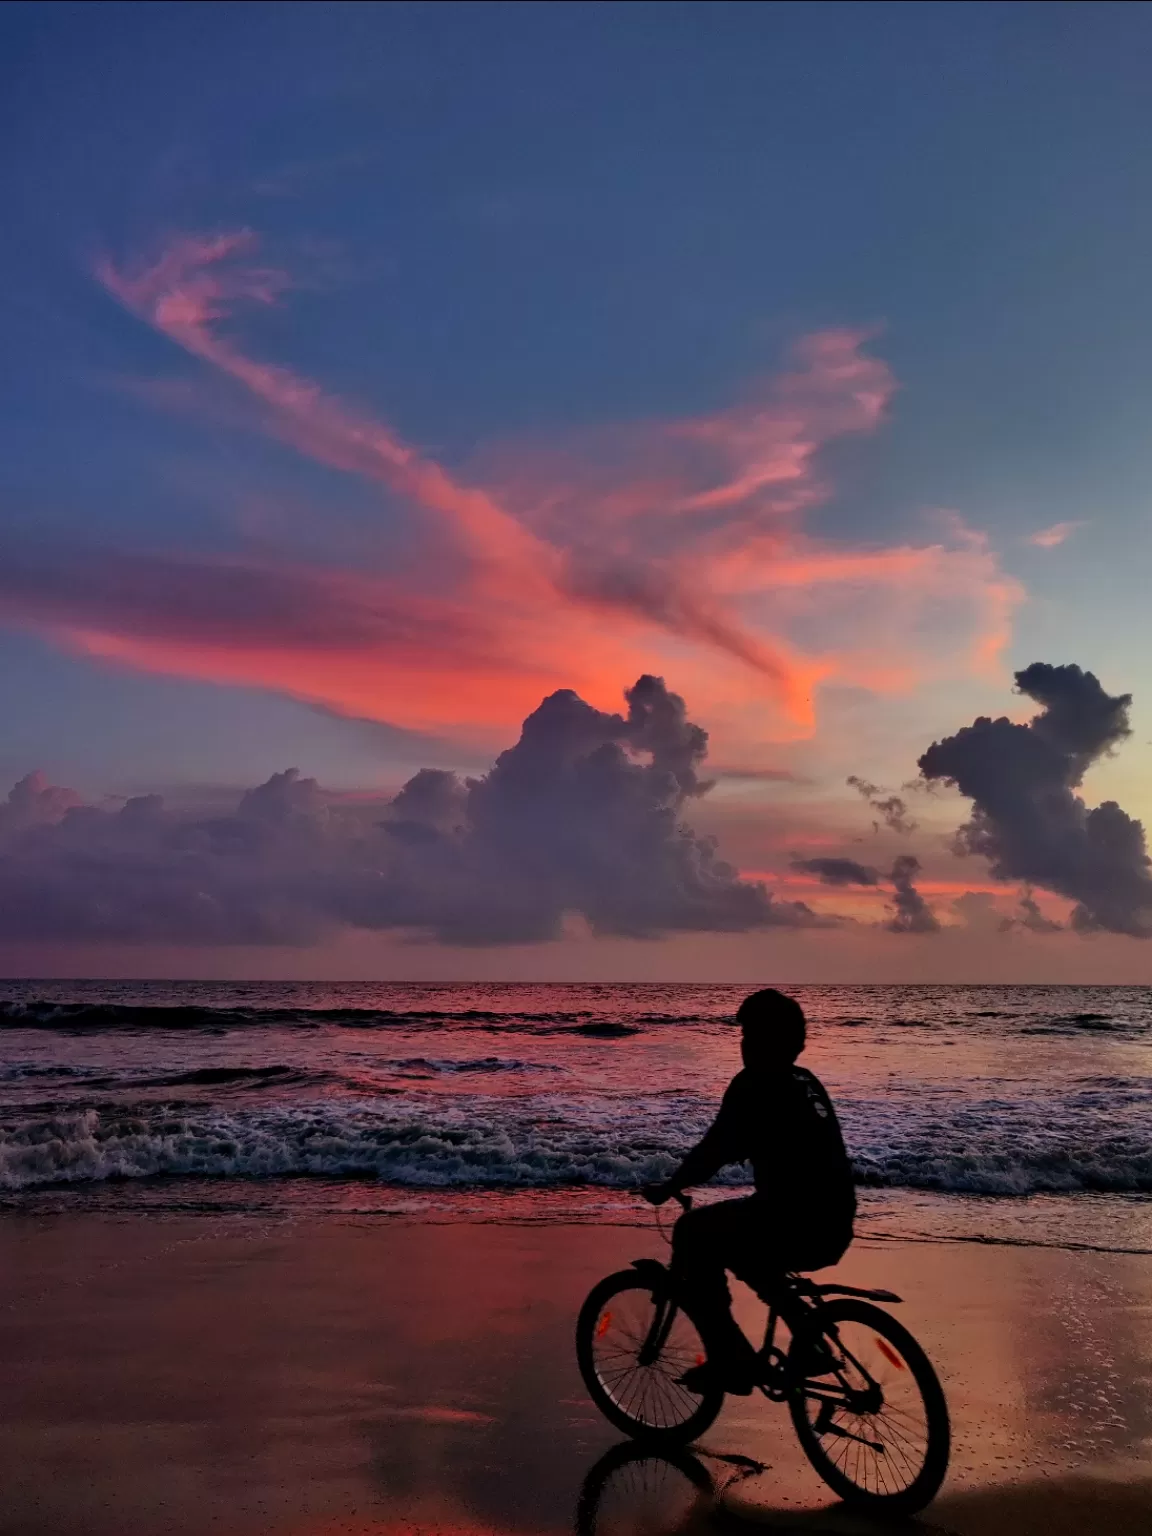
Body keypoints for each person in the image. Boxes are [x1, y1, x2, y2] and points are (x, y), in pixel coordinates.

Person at [642, 988, 856, 1394]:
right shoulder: (806, 1081)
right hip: (835, 1223)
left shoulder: (755, 1085)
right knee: (748, 1249)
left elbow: (713, 1150)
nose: (742, 1044)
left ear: (765, 1041)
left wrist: (670, 1186)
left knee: (692, 1233)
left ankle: (730, 1361)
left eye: (748, 1035)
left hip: (791, 1221)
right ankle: (808, 1337)